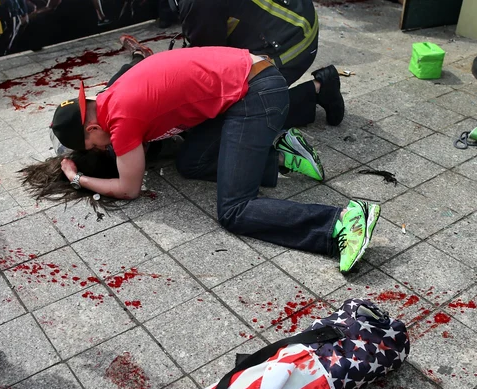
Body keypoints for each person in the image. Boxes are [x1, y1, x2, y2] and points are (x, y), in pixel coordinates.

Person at [38, 46, 380, 273]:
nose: (101, 148)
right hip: (245, 83)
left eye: (93, 145)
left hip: (255, 94)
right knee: (190, 163)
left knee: (234, 210)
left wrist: (77, 178)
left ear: (93, 126)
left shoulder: (121, 119)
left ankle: (341, 222)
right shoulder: (111, 95)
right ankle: (277, 156)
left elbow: (129, 189)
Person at [166, 0, 344, 129]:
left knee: (228, 125)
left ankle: (317, 90)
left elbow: (208, 66)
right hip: (283, 19)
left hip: (293, 38)